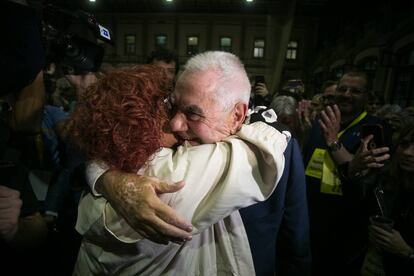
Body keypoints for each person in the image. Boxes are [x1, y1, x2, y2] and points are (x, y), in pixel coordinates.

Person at [70, 62, 288, 275]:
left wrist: (102, 175)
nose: (175, 123)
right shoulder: (169, 176)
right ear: (135, 130)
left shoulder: (105, 178)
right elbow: (266, 140)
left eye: (189, 112)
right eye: (167, 111)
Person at [303, 71, 391, 275]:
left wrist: (334, 141)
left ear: (367, 96)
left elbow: (364, 177)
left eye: (355, 91)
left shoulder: (376, 127)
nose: (346, 94)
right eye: (342, 89)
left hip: (346, 224)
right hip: (311, 217)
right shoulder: (322, 122)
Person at [347, 123, 414, 276]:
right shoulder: (384, 182)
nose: (408, 152)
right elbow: (352, 207)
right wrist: (355, 169)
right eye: (404, 144)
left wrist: (407, 252)